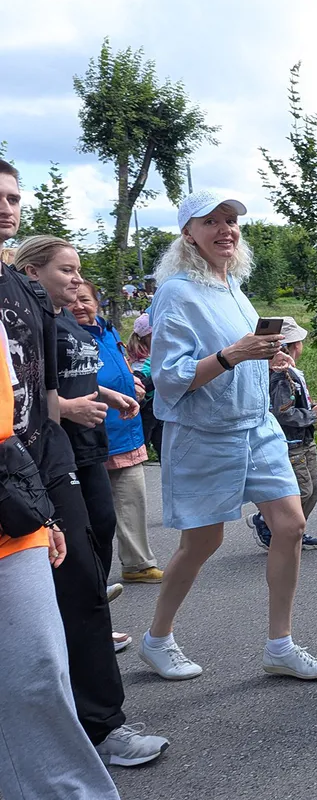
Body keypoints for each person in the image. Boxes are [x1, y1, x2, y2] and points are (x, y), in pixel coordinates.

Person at [0, 163, 169, 767]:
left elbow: (38, 383)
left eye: (14, 197)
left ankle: (102, 726)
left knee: (82, 589)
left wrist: (74, 404)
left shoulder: (21, 292)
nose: (8, 207)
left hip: (42, 462)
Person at [139, 189, 317, 681]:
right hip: (205, 433)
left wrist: (268, 356)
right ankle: (157, 638)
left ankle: (280, 645)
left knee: (290, 525)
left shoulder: (234, 287)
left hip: (258, 425)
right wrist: (233, 355)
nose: (226, 229)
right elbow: (169, 376)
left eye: (231, 221)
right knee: (203, 543)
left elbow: (243, 353)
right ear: (188, 234)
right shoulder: (177, 292)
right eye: (211, 222)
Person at [0, 315, 123, 799]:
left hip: (13, 526)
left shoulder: (12, 299)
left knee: (37, 679)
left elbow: (14, 423)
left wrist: (39, 512)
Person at [70, 280, 163, 586]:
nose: (79, 306)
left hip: (125, 426)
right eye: (73, 300)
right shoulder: (64, 335)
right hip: (90, 433)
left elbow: (118, 367)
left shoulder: (106, 330)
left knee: (132, 498)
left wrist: (131, 382)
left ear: (97, 303)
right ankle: (91, 581)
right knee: (96, 513)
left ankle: (138, 563)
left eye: (85, 300)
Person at [258, 316, 317, 550]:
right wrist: (312, 415)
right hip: (291, 441)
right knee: (302, 490)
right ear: (294, 344)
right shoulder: (281, 377)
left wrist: (314, 407)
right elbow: (282, 413)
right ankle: (272, 525)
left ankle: (295, 530)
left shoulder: (291, 372)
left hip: (305, 438)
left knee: (315, 488)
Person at [126, 313, 162, 456]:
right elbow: (140, 387)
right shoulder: (140, 365)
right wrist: (161, 378)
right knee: (142, 448)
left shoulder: (156, 356)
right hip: (145, 411)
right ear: (148, 338)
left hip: (158, 411)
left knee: (165, 452)